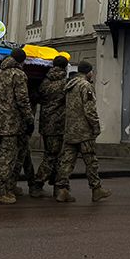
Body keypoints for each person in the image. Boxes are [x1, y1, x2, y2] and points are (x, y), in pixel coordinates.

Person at [55, 61, 111, 203]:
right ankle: (96, 189)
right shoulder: (86, 86)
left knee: (66, 161)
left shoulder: (69, 85)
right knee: (91, 161)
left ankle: (62, 190)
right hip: (84, 131)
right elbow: (89, 109)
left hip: (70, 130)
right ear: (88, 72)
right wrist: (96, 127)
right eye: (92, 71)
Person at [0, 48, 33, 204]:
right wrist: (29, 119)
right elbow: (23, 100)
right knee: (7, 157)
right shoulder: (18, 75)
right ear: (22, 61)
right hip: (11, 123)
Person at [31, 55, 69, 198]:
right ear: (65, 67)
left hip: (45, 123)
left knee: (53, 154)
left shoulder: (45, 81)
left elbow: (38, 97)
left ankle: (57, 184)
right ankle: (38, 183)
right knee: (52, 156)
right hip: (58, 124)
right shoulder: (65, 83)